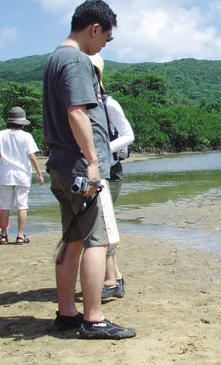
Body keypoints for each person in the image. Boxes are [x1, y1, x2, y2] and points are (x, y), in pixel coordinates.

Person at [42, 0, 135, 339]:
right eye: (105, 39)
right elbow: (77, 113)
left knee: (73, 239)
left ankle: (67, 313)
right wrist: (94, 162)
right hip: (82, 167)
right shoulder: (77, 59)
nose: (104, 46)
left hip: (62, 164)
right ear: (94, 29)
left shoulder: (54, 59)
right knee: (97, 241)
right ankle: (94, 319)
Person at [88, 53, 134, 299]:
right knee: (102, 224)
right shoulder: (80, 103)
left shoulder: (108, 104)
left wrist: (102, 150)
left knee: (103, 224)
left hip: (110, 172)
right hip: (91, 172)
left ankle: (112, 279)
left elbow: (128, 135)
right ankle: (114, 278)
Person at [0, 106, 44, 245]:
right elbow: (31, 156)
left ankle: (3, 236)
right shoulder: (26, 136)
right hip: (22, 175)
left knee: (5, 206)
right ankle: (20, 236)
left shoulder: (1, 134)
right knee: (22, 205)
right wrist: (39, 173)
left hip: (6, 174)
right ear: (22, 123)